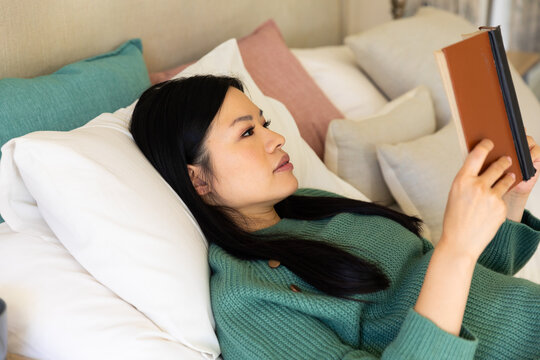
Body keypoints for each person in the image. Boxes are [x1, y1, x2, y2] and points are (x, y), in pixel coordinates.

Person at [129, 74, 540, 360]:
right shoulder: (247, 298)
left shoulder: (313, 205)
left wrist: (509, 203)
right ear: (197, 179)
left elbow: (469, 291)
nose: (277, 138)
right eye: (248, 133)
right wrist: (455, 249)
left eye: (264, 123)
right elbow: (453, 273)